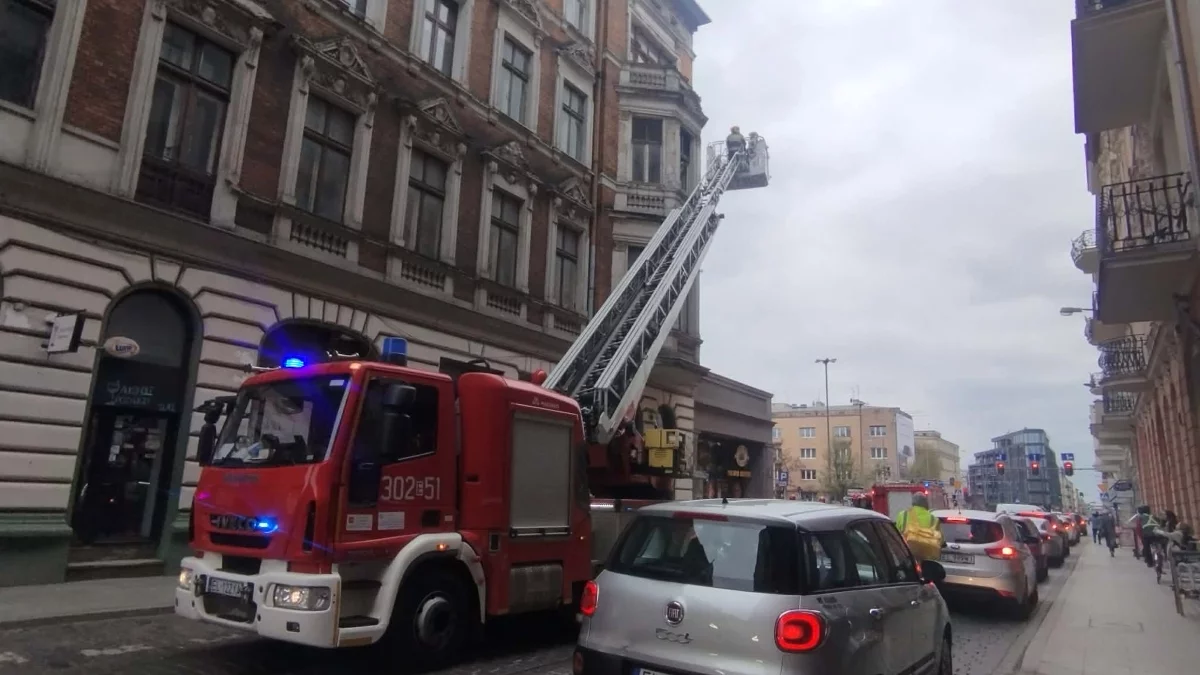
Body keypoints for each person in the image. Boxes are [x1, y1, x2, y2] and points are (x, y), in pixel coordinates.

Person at [895, 493, 944, 562]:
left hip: (907, 555)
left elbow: (895, 535)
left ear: (913, 503)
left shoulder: (903, 515)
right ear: (926, 504)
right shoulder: (933, 519)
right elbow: (940, 539)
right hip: (926, 558)